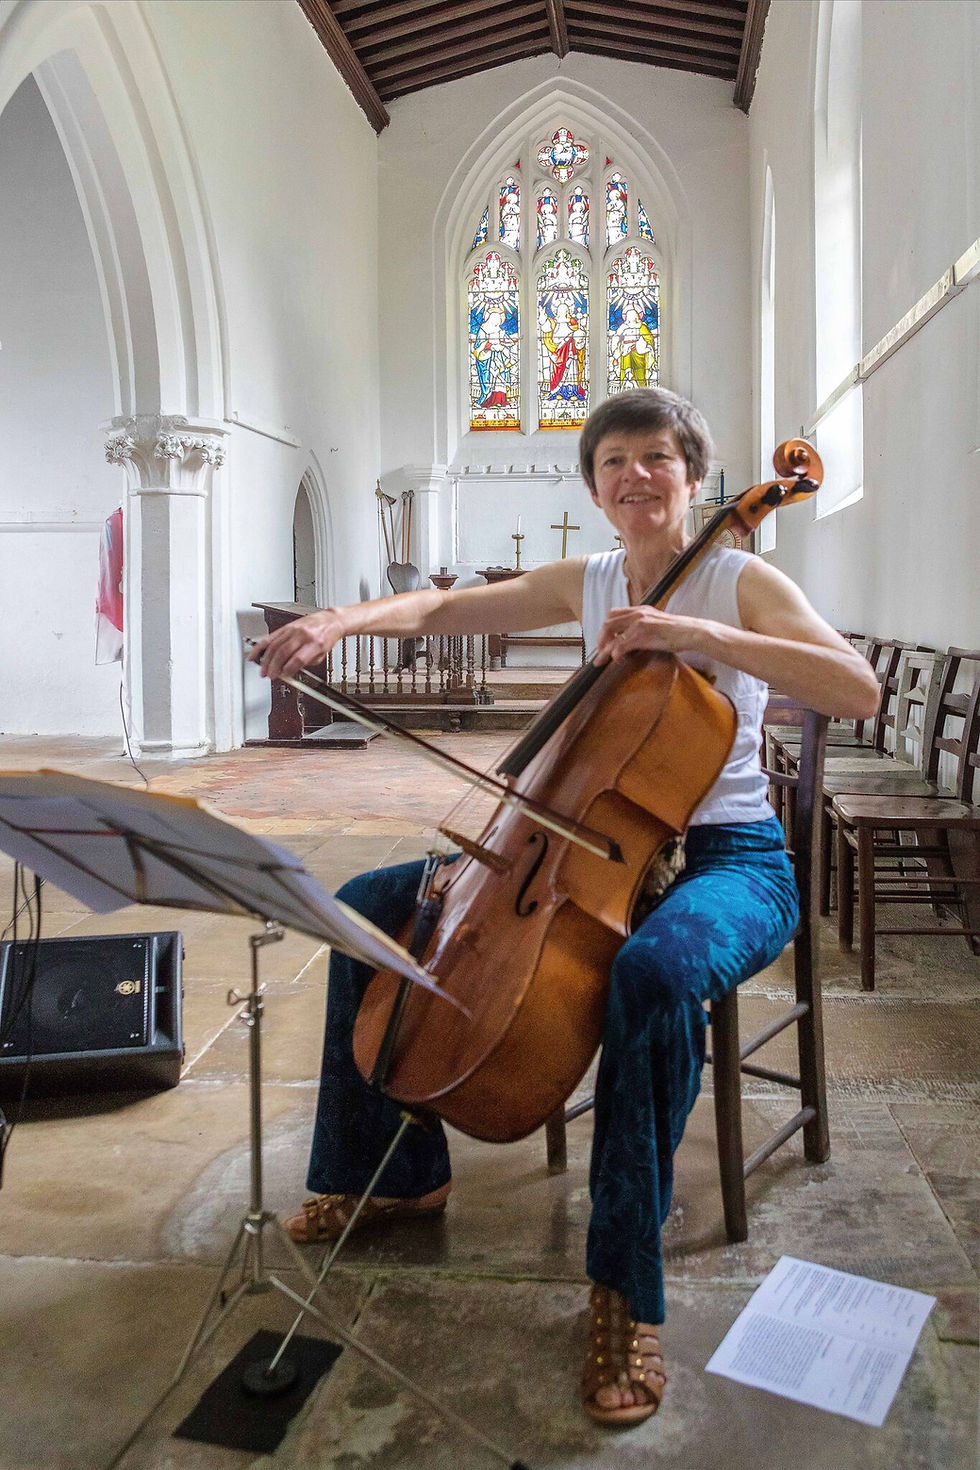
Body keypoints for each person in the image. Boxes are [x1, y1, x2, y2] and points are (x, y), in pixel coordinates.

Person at [251, 388, 879, 1428]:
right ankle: (391, 1172)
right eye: (614, 462)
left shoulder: (738, 577)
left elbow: (851, 687)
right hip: (576, 849)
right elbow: (446, 609)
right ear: (593, 487)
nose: (635, 475)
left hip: (727, 860)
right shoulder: (584, 582)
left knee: (654, 973)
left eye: (656, 458)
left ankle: (622, 1290)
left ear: (689, 473)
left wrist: (685, 627)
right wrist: (340, 618)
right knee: (364, 904)